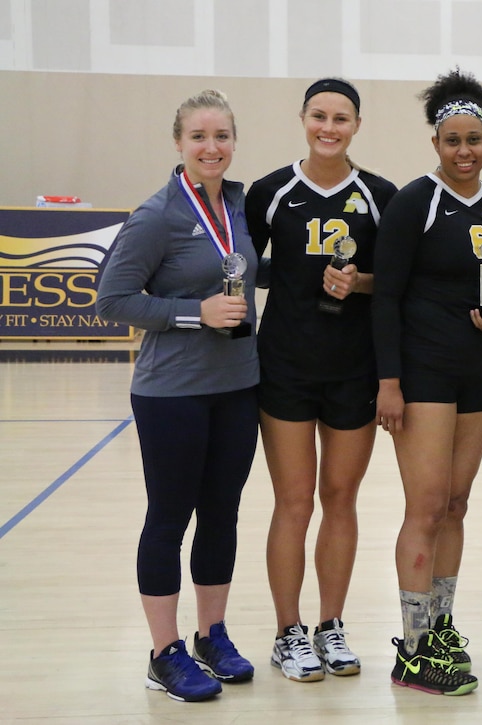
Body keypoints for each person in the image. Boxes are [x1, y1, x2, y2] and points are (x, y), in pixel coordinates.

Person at [97, 89, 259, 702]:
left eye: (221, 137)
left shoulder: (241, 205)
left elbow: (242, 267)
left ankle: (210, 634)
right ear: (178, 143)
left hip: (239, 387)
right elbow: (112, 299)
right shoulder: (157, 214)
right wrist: (196, 313)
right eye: (199, 137)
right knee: (169, 518)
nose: (211, 147)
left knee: (222, 515)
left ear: (234, 142)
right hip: (172, 394)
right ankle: (162, 653)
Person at [244, 78, 397, 682]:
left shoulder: (381, 195)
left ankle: (330, 626)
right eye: (319, 116)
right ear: (303, 119)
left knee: (341, 498)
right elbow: (235, 264)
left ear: (357, 125)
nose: (329, 128)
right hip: (284, 365)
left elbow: (395, 281)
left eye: (341, 118)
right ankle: (288, 632)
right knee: (293, 501)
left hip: (352, 369)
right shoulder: (269, 192)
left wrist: (359, 282)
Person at [372, 68, 482, 696]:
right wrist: (388, 382)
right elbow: (386, 297)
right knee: (426, 505)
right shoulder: (414, 201)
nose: (465, 151)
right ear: (436, 142)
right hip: (422, 372)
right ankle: (411, 646)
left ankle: (440, 628)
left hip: (474, 372)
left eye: (475, 140)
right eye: (453, 140)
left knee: (457, 503)